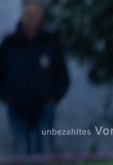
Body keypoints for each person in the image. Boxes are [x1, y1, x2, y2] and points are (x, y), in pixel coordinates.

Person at [0, 0, 69, 155]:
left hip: (45, 106)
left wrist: (52, 97)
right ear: (22, 15)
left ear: (41, 16)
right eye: (28, 14)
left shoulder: (51, 42)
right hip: (16, 106)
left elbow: (62, 75)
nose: (31, 18)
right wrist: (7, 96)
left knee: (45, 150)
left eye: (35, 14)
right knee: (20, 150)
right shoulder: (9, 44)